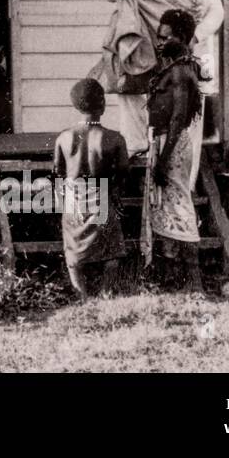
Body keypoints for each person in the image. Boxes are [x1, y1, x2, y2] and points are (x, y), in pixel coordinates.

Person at [101, 0, 225, 155]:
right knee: (130, 86)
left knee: (186, 104)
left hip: (184, 42)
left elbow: (216, 11)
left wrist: (194, 37)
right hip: (150, 38)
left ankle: (184, 167)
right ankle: (137, 147)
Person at [146, 8, 209, 293]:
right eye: (158, 37)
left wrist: (163, 158)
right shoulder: (175, 68)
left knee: (179, 204)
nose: (159, 42)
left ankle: (194, 280)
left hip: (174, 144)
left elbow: (178, 116)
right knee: (165, 206)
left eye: (165, 37)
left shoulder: (182, 71)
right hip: (163, 141)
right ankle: (172, 277)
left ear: (182, 37)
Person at [54, 78, 130, 301]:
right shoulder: (114, 138)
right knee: (112, 248)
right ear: (103, 105)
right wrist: (116, 191)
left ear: (75, 106)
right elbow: (124, 171)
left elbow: (58, 170)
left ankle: (82, 294)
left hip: (73, 195)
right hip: (101, 191)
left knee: (73, 248)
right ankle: (107, 290)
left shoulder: (64, 137)